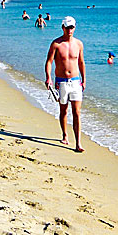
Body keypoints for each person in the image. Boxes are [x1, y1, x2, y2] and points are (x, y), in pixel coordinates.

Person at [45, 16, 86, 152]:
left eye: (72, 27)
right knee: (64, 110)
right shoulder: (56, 44)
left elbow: (81, 62)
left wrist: (84, 79)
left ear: (75, 27)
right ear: (63, 27)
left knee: (77, 112)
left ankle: (78, 143)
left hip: (75, 81)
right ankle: (64, 135)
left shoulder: (79, 44)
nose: (70, 30)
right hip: (61, 81)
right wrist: (48, 78)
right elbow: (49, 61)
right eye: (67, 27)